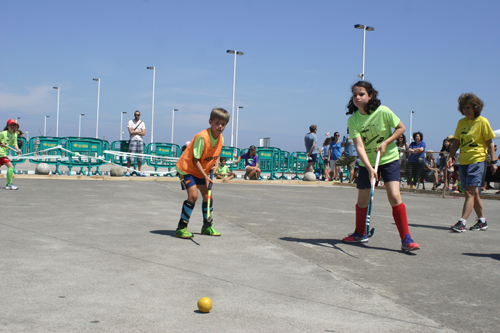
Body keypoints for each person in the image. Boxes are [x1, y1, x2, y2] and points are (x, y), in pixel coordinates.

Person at [341, 81, 420, 252]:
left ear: (370, 95)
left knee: (394, 195)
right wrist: (369, 168)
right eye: (354, 94)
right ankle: (360, 233)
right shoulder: (353, 120)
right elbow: (359, 147)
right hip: (367, 162)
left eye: (361, 94)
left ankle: (406, 238)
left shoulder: (383, 111)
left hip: (389, 159)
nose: (357, 97)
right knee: (362, 199)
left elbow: (401, 128)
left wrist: (386, 142)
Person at [174, 108, 229, 239]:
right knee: (193, 196)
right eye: (217, 123)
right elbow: (195, 160)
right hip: (187, 169)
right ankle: (181, 228)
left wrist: (215, 165)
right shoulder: (202, 137)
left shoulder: (220, 138)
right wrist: (205, 177)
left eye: (223, 124)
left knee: (207, 197)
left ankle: (207, 227)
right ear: (210, 122)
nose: (220, 126)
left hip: (200, 171)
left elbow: (216, 154)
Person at [449, 93, 497, 232]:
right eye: (463, 107)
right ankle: (482, 221)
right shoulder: (461, 123)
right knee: (473, 193)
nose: (466, 110)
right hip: (463, 160)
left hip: (477, 160)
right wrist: (450, 156)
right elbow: (457, 141)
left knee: (469, 193)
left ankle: (462, 222)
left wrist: (493, 161)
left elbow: (489, 143)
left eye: (468, 107)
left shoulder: (482, 122)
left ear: (476, 107)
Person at [0, 119, 22, 190]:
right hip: (1, 153)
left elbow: (15, 144)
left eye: (14, 125)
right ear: (8, 126)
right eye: (11, 125)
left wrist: (18, 150)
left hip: (4, 153)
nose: (12, 126)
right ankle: (9, 184)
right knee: (11, 167)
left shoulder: (15, 135)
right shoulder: (3, 133)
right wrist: (1, 144)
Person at [126, 110, 146, 177]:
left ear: (139, 115)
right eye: (135, 115)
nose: (136, 116)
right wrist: (139, 132)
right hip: (133, 140)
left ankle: (139, 171)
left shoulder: (142, 123)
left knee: (140, 157)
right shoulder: (130, 122)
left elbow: (143, 133)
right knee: (130, 157)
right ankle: (128, 171)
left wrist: (135, 131)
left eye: (137, 115)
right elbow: (130, 132)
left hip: (140, 141)